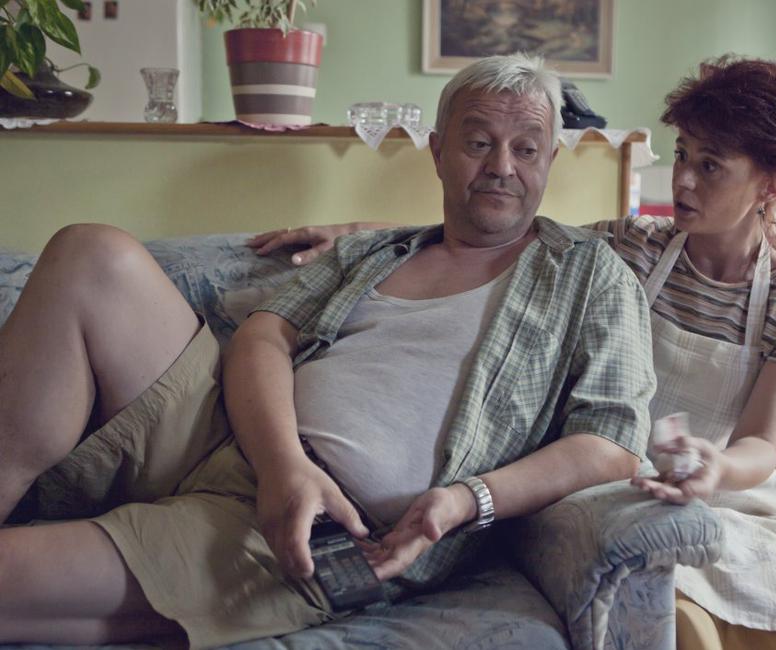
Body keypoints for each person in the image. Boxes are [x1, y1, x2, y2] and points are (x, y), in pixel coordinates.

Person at [0, 53, 656, 647]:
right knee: (91, 252)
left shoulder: (588, 273)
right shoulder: (374, 251)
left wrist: (468, 499)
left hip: (321, 526)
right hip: (229, 433)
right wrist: (281, 462)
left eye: (526, 148)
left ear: (549, 159)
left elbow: (612, 439)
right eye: (478, 143)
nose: (501, 167)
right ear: (436, 151)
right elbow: (262, 336)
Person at [250, 56, 776, 650]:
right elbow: (495, 222)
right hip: (607, 485)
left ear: (773, 183)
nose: (682, 179)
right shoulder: (633, 248)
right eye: (683, 153)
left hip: (728, 493)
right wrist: (353, 235)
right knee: (682, 619)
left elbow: (761, 446)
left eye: (710, 166)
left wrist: (715, 466)